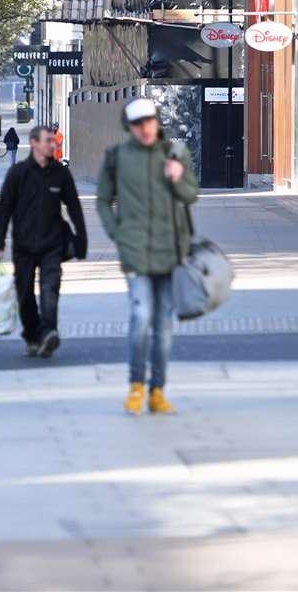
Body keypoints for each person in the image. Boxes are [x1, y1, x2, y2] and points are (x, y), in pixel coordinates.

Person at [97, 97, 199, 415]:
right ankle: (136, 385)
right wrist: (118, 234)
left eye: (149, 121)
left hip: (171, 251)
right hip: (136, 252)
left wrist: (177, 175)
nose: (145, 128)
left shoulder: (174, 153)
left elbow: (190, 195)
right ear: (128, 128)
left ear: (157, 121)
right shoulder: (116, 157)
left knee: (163, 325)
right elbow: (103, 200)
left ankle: (157, 390)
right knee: (141, 317)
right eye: (138, 124)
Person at [0, 125, 87, 358]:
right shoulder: (18, 173)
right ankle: (33, 336)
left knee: (50, 289)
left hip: (52, 244)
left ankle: (48, 333)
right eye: (48, 141)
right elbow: (4, 208)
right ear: (34, 143)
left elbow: (74, 206)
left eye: (53, 141)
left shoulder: (60, 174)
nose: (52, 144)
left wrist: (81, 239)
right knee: (24, 294)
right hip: (23, 246)